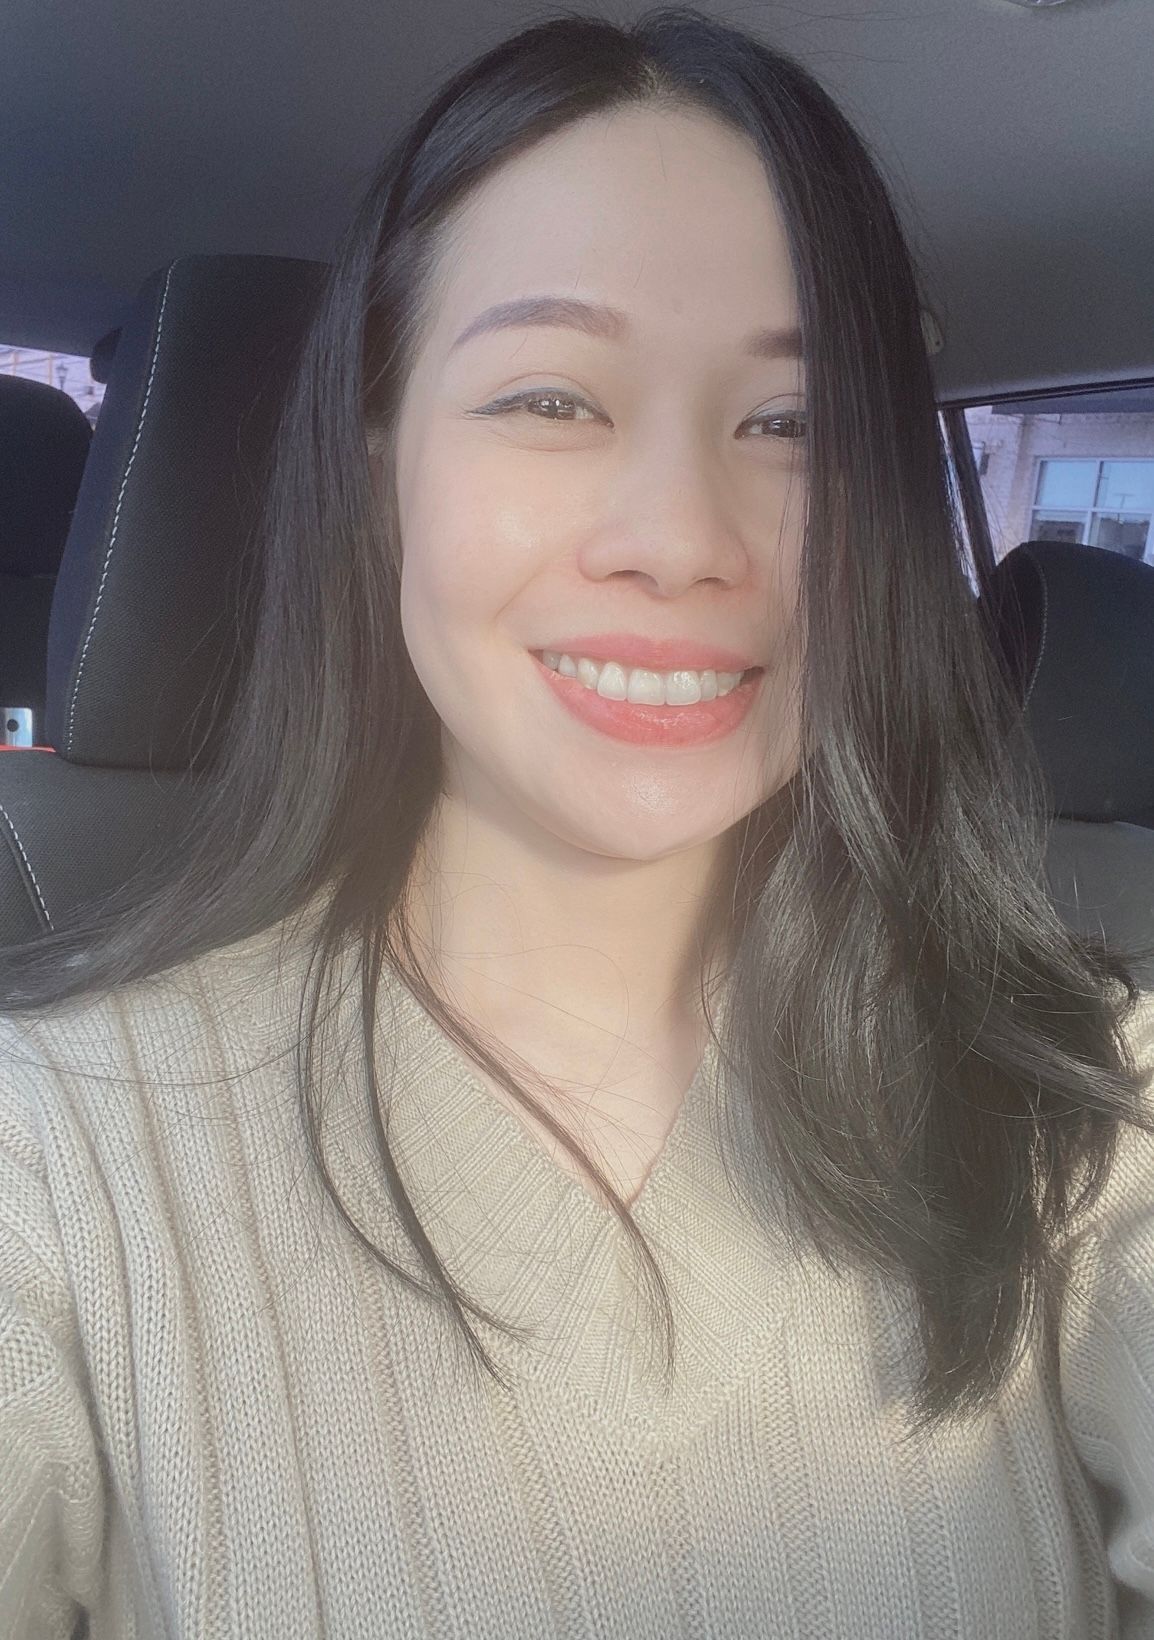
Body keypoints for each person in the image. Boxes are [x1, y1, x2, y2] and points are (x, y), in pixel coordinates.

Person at [2, 8, 1154, 1637]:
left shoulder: (1082, 1101)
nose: (679, 537)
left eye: (794, 424)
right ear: (378, 469)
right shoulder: (49, 1169)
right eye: (550, 399)